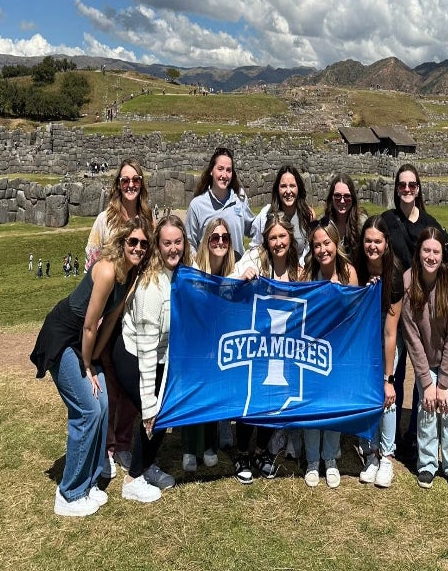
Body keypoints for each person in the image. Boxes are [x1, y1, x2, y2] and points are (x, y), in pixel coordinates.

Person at [29, 216, 151, 516]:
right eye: (132, 242)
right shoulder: (109, 271)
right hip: (62, 336)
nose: (137, 247)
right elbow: (87, 326)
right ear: (122, 242)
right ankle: (69, 493)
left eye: (143, 244)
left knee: (104, 402)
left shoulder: (130, 276)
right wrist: (86, 366)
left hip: (84, 343)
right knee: (88, 408)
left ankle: (91, 480)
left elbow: (108, 322)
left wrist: (95, 361)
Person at [106, 214, 191, 501]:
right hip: (133, 354)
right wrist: (148, 403)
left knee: (163, 410)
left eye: (177, 242)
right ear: (158, 246)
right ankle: (133, 480)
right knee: (155, 412)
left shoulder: (182, 275)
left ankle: (145, 466)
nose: (173, 249)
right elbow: (145, 351)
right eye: (166, 243)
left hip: (162, 355)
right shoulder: (151, 287)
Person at [85, 158, 155, 479]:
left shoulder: (147, 219)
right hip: (109, 311)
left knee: (131, 381)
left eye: (135, 179)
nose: (130, 185)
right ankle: (108, 445)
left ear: (141, 183)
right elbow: (91, 261)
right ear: (118, 184)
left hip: (135, 311)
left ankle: (124, 440)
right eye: (125, 180)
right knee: (109, 381)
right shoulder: (104, 220)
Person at [379, 163, 448, 458]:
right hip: (395, 309)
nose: (407, 190)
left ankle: (416, 434)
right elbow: (373, 250)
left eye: (412, 185)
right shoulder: (386, 221)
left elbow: (445, 258)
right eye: (402, 185)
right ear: (396, 189)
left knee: (424, 373)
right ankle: (389, 436)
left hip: (423, 312)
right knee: (392, 373)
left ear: (418, 189)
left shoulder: (429, 225)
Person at [231, 213, 304, 482]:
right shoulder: (256, 260)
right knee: (251, 399)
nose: (277, 242)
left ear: (290, 237)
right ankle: (241, 452)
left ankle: (261, 451)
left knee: (273, 400)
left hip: (284, 346)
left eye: (282, 236)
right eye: (272, 237)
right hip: (257, 344)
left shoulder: (299, 268)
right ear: (266, 241)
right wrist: (243, 275)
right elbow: (229, 281)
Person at [401, 226, 448, 491]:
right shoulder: (408, 283)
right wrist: (428, 383)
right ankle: (427, 463)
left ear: (442, 254)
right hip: (424, 357)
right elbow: (412, 337)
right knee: (427, 406)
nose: (431, 256)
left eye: (436, 251)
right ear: (419, 253)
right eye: (426, 250)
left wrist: (443, 383)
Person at [301, 218, 359, 488]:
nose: (323, 249)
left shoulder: (349, 273)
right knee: (312, 405)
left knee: (334, 405)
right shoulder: (307, 274)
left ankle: (330, 458)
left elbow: (356, 313)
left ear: (336, 243)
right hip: (311, 349)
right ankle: (313, 460)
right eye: (317, 245)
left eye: (327, 243)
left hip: (338, 351)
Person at [353, 215, 404, 488]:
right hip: (361, 345)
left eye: (377, 241)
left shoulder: (394, 275)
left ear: (386, 244)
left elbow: (391, 331)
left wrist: (388, 377)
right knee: (364, 398)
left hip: (384, 343)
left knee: (387, 399)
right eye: (368, 241)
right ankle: (369, 452)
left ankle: (386, 455)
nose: (372, 246)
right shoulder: (355, 268)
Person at [182, 217, 236, 473]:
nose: (220, 242)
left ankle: (208, 445)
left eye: (225, 238)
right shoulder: (193, 268)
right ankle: (189, 447)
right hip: (194, 342)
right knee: (194, 392)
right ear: (206, 241)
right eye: (215, 237)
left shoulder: (231, 271)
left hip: (218, 342)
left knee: (214, 393)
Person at [185, 147, 254, 261]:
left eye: (228, 170)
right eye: (220, 169)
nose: (225, 175)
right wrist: (197, 264)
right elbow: (189, 241)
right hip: (209, 276)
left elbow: (253, 228)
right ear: (212, 171)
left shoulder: (240, 199)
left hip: (236, 273)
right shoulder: (197, 205)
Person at [249, 164, 315, 263]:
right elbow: (255, 247)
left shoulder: (308, 215)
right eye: (283, 186)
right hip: (272, 275)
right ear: (277, 189)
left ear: (298, 188)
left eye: (292, 186)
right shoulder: (265, 215)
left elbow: (309, 251)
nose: (288, 191)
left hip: (299, 275)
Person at [320, 173, 367, 255]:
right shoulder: (323, 223)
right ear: (332, 197)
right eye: (337, 196)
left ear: (353, 198)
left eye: (347, 196)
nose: (342, 201)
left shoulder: (362, 222)